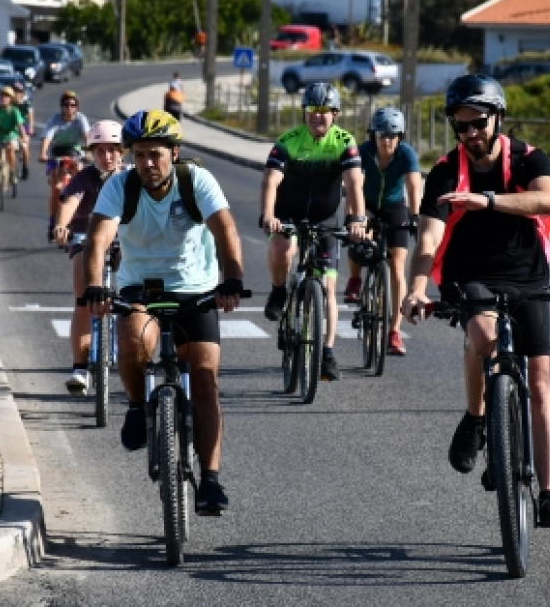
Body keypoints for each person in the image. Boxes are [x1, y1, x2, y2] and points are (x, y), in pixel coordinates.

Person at [401, 74, 550, 527]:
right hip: (470, 273)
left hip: (526, 273)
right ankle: (480, 420)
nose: (471, 134)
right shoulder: (443, 171)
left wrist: (487, 201)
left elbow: (547, 200)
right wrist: (416, 289)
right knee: (482, 336)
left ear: (499, 118)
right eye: (462, 126)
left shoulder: (528, 157)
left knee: (540, 381)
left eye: (478, 123)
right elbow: (427, 241)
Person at [80, 109, 246, 514]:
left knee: (205, 380)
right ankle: (138, 405)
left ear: (174, 152)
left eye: (155, 154)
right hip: (141, 285)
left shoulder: (196, 181)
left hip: (196, 289)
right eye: (139, 155)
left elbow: (225, 228)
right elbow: (98, 238)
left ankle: (210, 480)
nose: (147, 163)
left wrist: (232, 279)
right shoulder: (121, 186)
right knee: (133, 340)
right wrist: (95, 287)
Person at [260, 82, 367, 382]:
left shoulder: (344, 142)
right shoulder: (288, 141)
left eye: (324, 112)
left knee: (329, 287)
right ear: (304, 113)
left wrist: (357, 219)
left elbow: (354, 184)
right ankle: (280, 291)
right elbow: (271, 181)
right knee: (283, 249)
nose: (317, 117)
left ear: (335, 115)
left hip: (326, 219)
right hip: (288, 214)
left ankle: (328, 352)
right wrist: (268, 215)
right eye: (312, 111)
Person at [52, 121, 128, 395]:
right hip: (85, 238)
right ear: (91, 153)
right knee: (82, 299)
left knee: (136, 297)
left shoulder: (131, 177)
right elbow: (70, 203)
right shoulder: (84, 177)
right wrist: (61, 226)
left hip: (124, 241)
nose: (107, 157)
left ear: (122, 152)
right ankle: (80, 367)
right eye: (100, 151)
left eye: (113, 150)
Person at [343, 107, 422, 357]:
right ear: (373, 136)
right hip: (366, 204)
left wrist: (415, 217)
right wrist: (354, 218)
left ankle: (394, 332)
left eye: (392, 135)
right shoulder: (364, 151)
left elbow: (413, 184)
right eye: (381, 135)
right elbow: (354, 184)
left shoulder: (406, 153)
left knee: (398, 266)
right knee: (359, 238)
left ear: (400, 137)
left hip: (394, 205)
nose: (387, 140)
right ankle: (355, 279)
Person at [39, 90, 90, 240]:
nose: (69, 108)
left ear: (77, 107)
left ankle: (80, 217)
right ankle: (52, 221)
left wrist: (89, 152)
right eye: (66, 105)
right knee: (56, 189)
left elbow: (87, 137)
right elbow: (47, 137)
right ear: (62, 106)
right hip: (57, 155)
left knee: (81, 178)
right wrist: (43, 153)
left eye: (73, 105)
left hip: (74, 154)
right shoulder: (55, 120)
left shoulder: (80, 119)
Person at [12, 81, 34, 181]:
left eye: (19, 91)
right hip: (10, 128)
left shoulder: (26, 102)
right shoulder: (9, 102)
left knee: (25, 148)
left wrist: (30, 128)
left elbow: (30, 116)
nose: (17, 94)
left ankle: (25, 167)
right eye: (15, 91)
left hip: (23, 129)